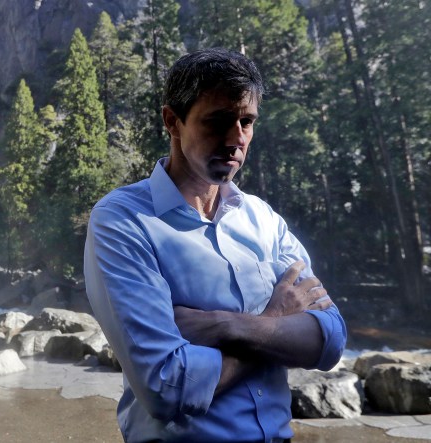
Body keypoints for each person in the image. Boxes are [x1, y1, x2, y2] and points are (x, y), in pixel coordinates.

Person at [84, 48, 347, 443]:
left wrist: (226, 325)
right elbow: (166, 388)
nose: (236, 138)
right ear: (172, 121)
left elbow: (330, 340)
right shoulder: (122, 221)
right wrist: (276, 326)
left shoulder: (264, 219)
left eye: (247, 121)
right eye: (219, 121)